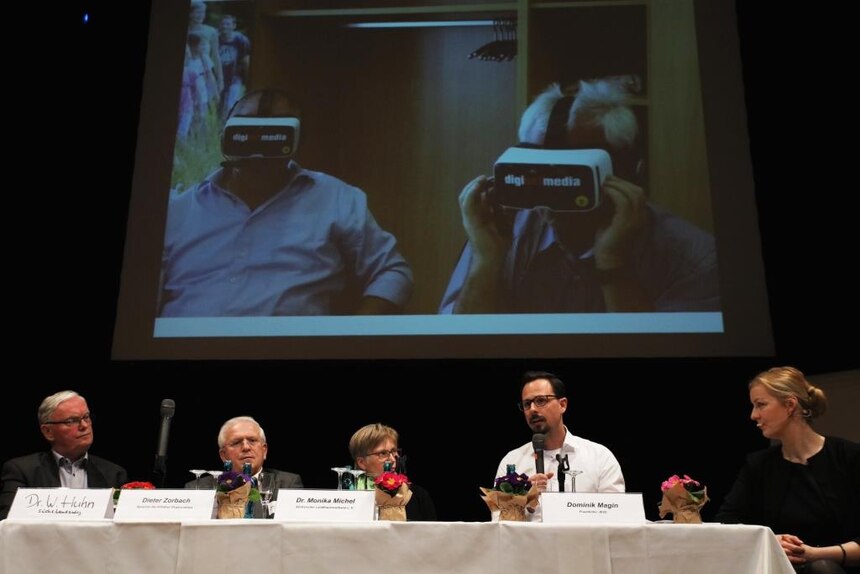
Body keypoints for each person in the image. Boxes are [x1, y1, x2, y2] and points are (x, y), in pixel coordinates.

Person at [439, 78, 720, 313]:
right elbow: (459, 347)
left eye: (571, 177)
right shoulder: (502, 234)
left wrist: (613, 265)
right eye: (538, 176)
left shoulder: (693, 260)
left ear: (626, 174)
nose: (553, 198)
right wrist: (487, 260)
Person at [160, 88, 414, 316]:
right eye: (246, 132)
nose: (258, 144)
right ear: (225, 135)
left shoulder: (337, 198)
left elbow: (393, 272)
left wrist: (353, 339)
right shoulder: (178, 211)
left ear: (297, 142)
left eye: (274, 134)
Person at [716, 367, 859, 573]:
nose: (753, 415)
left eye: (761, 405)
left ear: (790, 405)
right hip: (780, 569)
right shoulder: (759, 465)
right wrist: (769, 539)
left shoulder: (849, 457)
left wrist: (815, 554)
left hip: (841, 568)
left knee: (822, 568)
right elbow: (726, 521)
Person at [495, 371, 625, 521]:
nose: (533, 409)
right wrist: (526, 502)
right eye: (526, 404)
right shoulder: (512, 462)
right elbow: (499, 525)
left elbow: (617, 516)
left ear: (562, 405)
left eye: (541, 400)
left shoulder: (599, 457)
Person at [0, 391, 127, 520]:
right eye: (71, 421)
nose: (84, 425)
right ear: (48, 431)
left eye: (86, 417)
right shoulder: (22, 471)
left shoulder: (113, 474)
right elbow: (8, 525)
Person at [187, 416, 303, 518]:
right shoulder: (199, 488)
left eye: (252, 440)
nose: (246, 447)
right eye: (236, 442)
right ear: (223, 455)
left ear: (264, 450)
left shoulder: (288, 484)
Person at [348, 423, 436, 521]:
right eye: (383, 453)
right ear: (362, 462)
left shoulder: (418, 496)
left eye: (394, 451)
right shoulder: (347, 499)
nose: (393, 459)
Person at [218, 14, 251, 121]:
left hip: (235, 77)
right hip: (219, 76)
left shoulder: (241, 40)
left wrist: (247, 79)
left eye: (228, 24)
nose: (224, 26)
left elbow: (246, 60)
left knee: (230, 105)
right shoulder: (216, 39)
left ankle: (228, 126)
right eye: (223, 24)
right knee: (218, 105)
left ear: (234, 26)